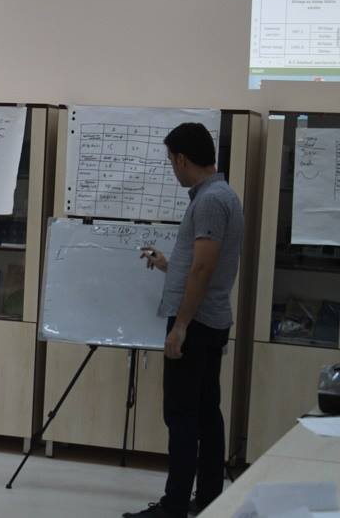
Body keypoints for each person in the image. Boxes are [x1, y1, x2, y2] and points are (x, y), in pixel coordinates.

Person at [124, 123, 243, 518]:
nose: (172, 168)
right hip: (211, 321)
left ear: (181, 158)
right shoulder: (223, 195)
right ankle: (208, 499)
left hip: (196, 324)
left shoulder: (210, 200)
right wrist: (167, 265)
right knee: (206, 412)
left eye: (171, 160)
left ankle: (173, 506)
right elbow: (201, 264)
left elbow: (203, 269)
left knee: (181, 416)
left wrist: (180, 327)